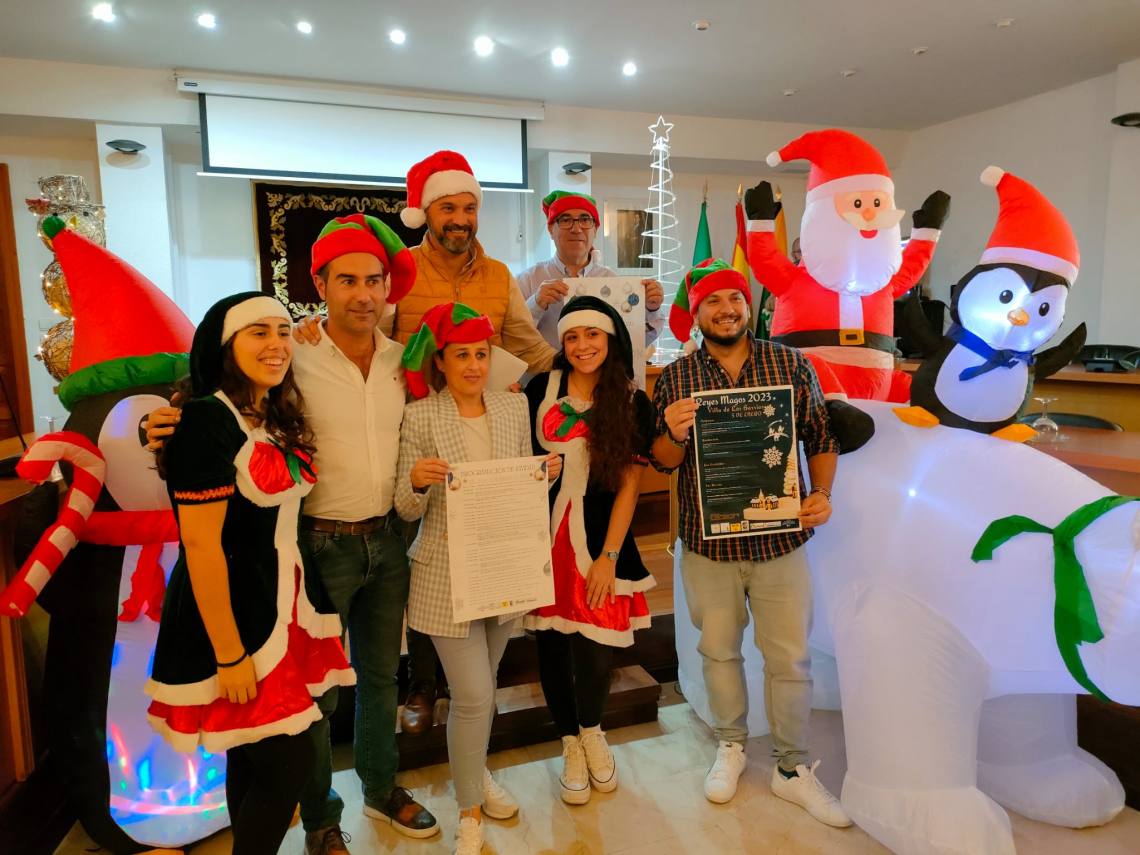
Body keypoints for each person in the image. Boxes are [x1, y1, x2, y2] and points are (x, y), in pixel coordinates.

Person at [146, 215, 439, 855]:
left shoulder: (404, 361)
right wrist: (165, 421)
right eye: (347, 280)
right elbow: (220, 395)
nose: (362, 294)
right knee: (316, 698)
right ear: (320, 285)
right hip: (316, 545)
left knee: (381, 678)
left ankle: (381, 789)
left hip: (388, 539)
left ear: (388, 288)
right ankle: (320, 820)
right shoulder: (293, 354)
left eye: (373, 280)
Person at [146, 293, 354, 854]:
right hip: (239, 617)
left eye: (283, 331)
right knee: (287, 763)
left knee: (253, 753)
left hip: (283, 605)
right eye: (258, 332)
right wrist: (228, 653)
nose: (276, 344)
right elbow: (200, 545)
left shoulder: (273, 413)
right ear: (224, 345)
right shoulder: (205, 419)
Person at [651, 259, 850, 828]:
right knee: (719, 652)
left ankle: (792, 767)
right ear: (696, 315)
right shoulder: (676, 378)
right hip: (709, 546)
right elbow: (661, 461)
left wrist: (823, 493)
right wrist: (672, 432)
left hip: (780, 543)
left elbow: (821, 436)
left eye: (734, 298)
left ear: (748, 306)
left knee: (789, 658)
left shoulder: (790, 364)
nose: (726, 310)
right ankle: (731, 745)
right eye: (712, 301)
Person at [387, 150, 560, 730]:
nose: (460, 219)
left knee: (484, 553)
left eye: (469, 208)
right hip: (416, 434)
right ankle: (422, 684)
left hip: (483, 435)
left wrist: (586, 363)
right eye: (448, 208)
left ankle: (475, 684)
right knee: (425, 561)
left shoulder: (498, 276)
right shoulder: (400, 273)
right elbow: (377, 344)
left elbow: (527, 345)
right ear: (426, 213)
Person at [394, 301, 562, 855]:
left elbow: (518, 486)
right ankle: (468, 810)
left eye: (481, 354)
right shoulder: (421, 416)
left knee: (483, 692)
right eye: (461, 355)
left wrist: (544, 473)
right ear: (441, 361)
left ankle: (477, 772)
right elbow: (405, 507)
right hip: (446, 575)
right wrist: (416, 481)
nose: (473, 365)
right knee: (471, 695)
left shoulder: (512, 408)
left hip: (503, 566)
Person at [523, 295, 656, 805]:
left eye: (592, 334)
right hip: (542, 540)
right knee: (552, 647)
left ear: (611, 339)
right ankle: (569, 743)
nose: (582, 346)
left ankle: (593, 731)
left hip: (600, 541)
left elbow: (629, 486)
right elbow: (514, 459)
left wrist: (609, 556)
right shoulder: (539, 390)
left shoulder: (631, 401)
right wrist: (537, 472)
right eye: (572, 336)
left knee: (596, 649)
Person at [515, 191, 665, 348]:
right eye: (565, 220)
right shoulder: (526, 281)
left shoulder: (613, 281)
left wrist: (651, 308)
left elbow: (636, 343)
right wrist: (535, 306)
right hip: (544, 365)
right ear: (551, 229)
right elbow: (511, 340)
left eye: (585, 220)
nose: (576, 229)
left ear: (595, 229)